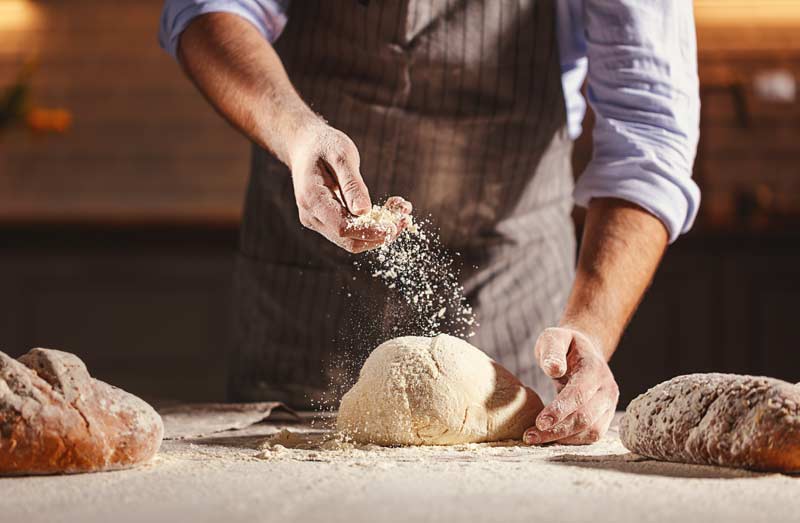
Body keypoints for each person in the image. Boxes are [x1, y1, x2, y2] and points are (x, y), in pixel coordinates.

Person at [159, 0, 700, 445]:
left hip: (509, 296)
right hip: (303, 289)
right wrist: (297, 133)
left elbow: (648, 134)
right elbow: (208, 10)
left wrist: (589, 330)